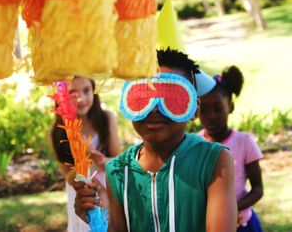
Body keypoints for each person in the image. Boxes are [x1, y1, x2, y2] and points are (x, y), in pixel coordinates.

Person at [74, 49, 237, 231]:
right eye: (143, 97)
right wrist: (102, 220)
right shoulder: (117, 171)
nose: (154, 109)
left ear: (194, 109)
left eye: (171, 98)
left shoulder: (214, 160)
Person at [197, 66, 264, 231]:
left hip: (241, 223)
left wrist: (233, 209)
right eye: (204, 110)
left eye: (218, 109)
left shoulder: (244, 142)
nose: (211, 116)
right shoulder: (194, 144)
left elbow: (258, 189)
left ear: (230, 107)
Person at [50, 76, 121, 232]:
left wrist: (101, 160)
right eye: (73, 93)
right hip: (80, 194)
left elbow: (117, 160)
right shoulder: (58, 130)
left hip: (105, 188)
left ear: (94, 91)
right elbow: (69, 177)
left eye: (86, 90)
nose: (81, 98)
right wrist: (83, 158)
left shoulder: (107, 118)